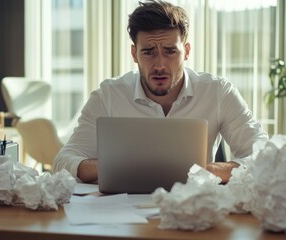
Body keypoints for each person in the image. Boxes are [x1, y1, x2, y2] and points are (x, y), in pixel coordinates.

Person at [53, 0, 268, 184]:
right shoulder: (108, 96)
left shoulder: (218, 92)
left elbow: (264, 157)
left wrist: (210, 170)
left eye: (170, 51)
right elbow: (63, 163)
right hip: (123, 217)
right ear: (134, 53)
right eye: (148, 52)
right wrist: (113, 166)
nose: (160, 65)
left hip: (191, 210)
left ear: (187, 52)